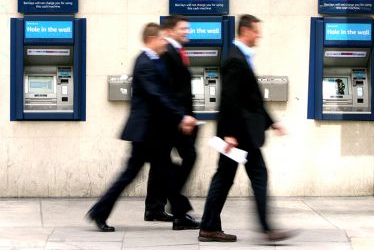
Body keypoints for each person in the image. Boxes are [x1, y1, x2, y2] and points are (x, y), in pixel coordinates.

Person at [86, 23, 198, 232]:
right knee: (131, 175)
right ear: (151, 39)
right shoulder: (144, 62)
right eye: (161, 39)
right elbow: (157, 95)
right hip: (146, 133)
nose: (165, 42)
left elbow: (166, 92)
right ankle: (99, 212)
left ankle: (180, 215)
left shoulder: (154, 61)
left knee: (165, 171)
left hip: (154, 132)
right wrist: (181, 116)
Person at [198, 15, 295, 242]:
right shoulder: (235, 58)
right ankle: (265, 228)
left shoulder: (241, 57)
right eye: (256, 31)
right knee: (248, 177)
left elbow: (251, 99)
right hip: (239, 135)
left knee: (225, 179)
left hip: (243, 133)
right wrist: (229, 134)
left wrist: (272, 122)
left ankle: (209, 227)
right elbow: (230, 99)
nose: (259, 35)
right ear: (245, 31)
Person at [144, 15, 198, 229]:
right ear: (170, 31)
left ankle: (155, 207)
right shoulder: (168, 53)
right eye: (183, 28)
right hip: (173, 121)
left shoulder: (177, 52)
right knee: (186, 157)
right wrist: (182, 116)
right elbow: (168, 90)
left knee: (161, 164)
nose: (187, 32)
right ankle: (176, 205)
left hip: (175, 118)